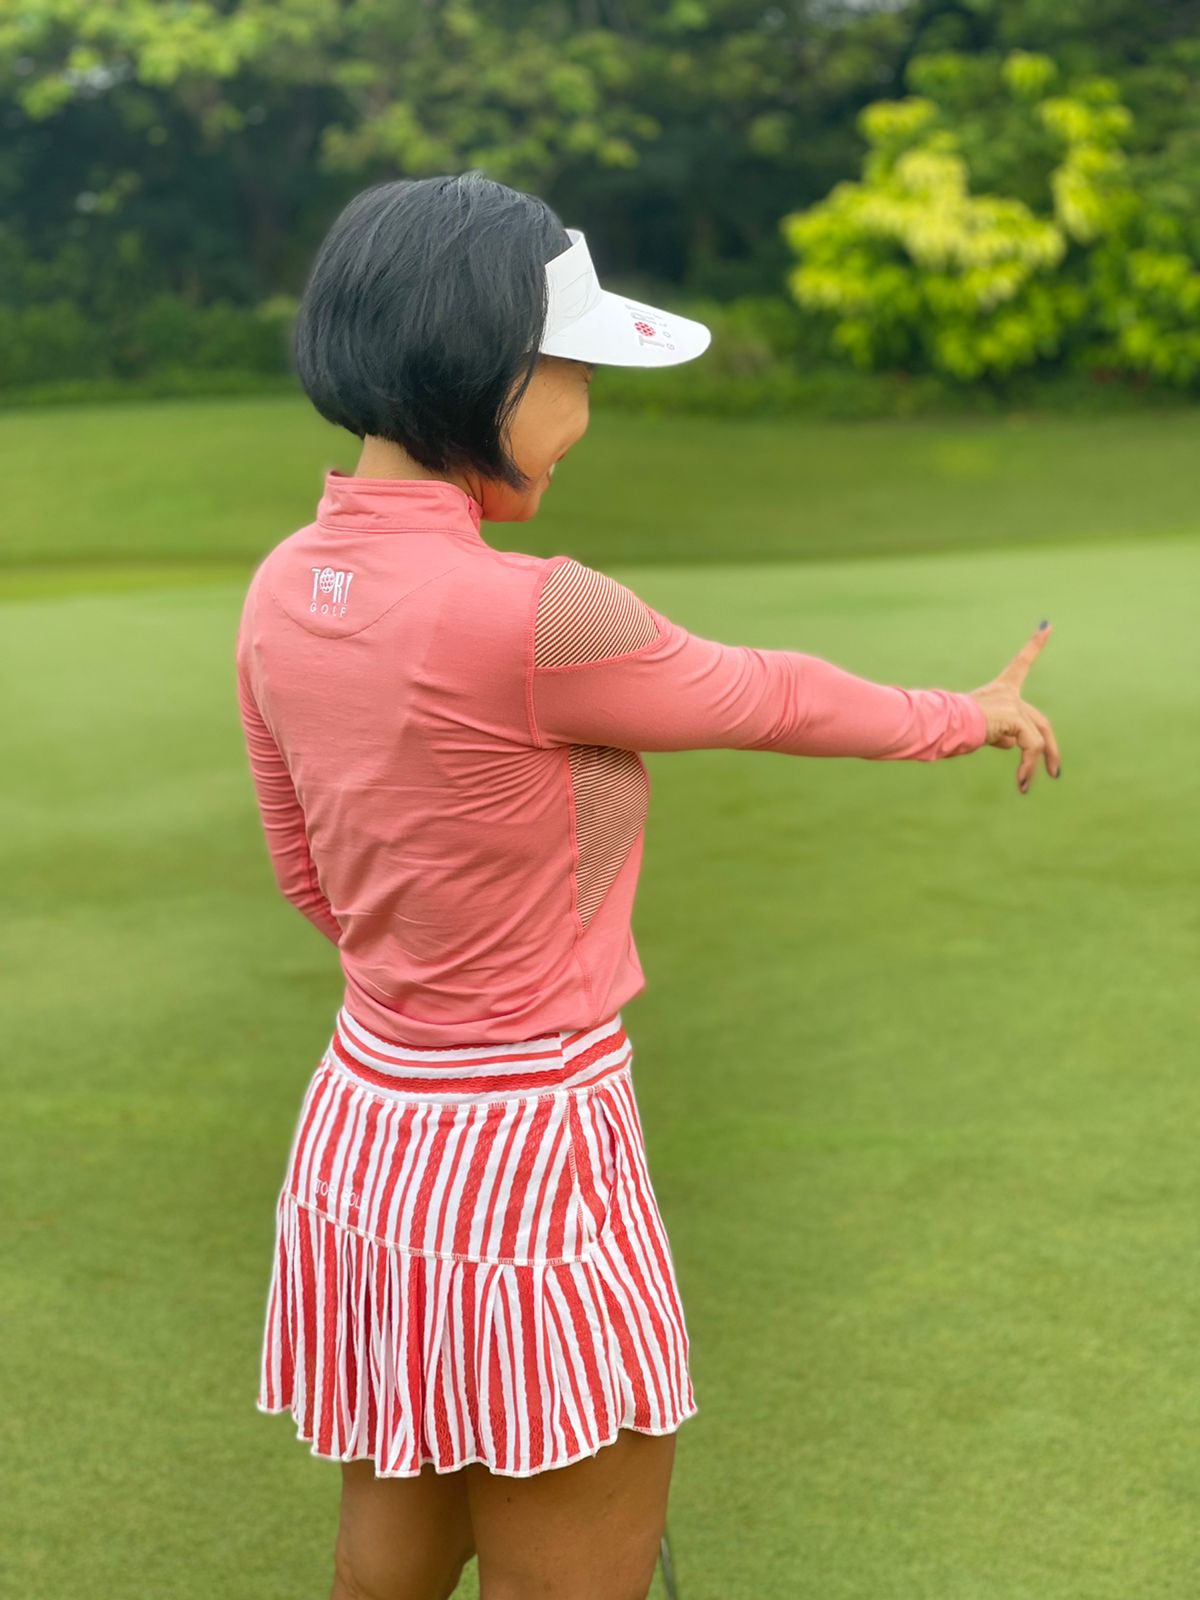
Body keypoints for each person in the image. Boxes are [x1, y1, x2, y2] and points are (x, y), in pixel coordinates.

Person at [234, 170, 1060, 1600]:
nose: (583, 412)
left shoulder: (282, 585)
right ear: (485, 365)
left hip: (368, 1131)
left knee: (388, 1565)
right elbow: (770, 695)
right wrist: (962, 710)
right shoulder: (539, 611)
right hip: (528, 1145)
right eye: (568, 372)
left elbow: (307, 870)